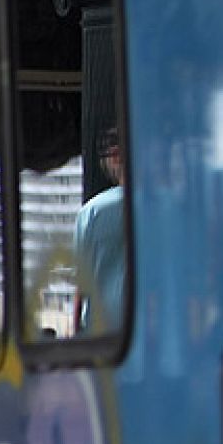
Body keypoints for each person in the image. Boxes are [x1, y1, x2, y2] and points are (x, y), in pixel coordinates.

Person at [74, 127, 127, 335]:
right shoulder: (164, 206)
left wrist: (76, 333)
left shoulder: (92, 211)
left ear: (115, 157)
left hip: (100, 335)